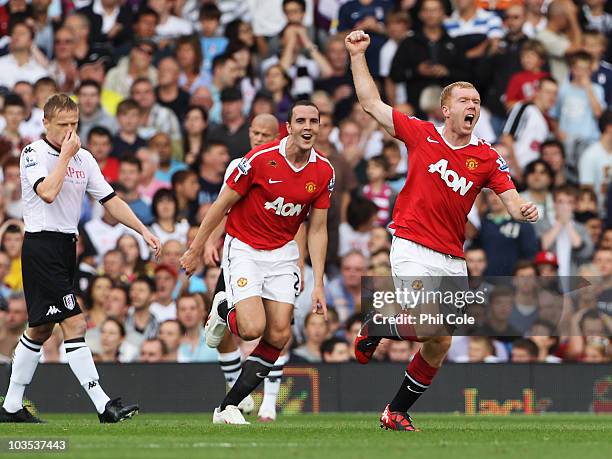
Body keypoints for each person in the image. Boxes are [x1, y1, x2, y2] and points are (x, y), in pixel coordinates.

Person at [345, 29, 538, 431]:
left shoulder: (486, 157)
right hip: (412, 244)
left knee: (440, 341)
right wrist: (357, 54)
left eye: (477, 102)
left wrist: (525, 209)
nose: (473, 107)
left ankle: (395, 411)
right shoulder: (421, 134)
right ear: (445, 109)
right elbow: (369, 103)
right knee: (430, 325)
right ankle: (377, 324)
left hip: (452, 255)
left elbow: (512, 201)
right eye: (465, 101)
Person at [0, 94, 160, 424]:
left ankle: (12, 405)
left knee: (41, 329)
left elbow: (110, 200)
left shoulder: (84, 158)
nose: (70, 132)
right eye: (63, 125)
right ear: (46, 123)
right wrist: (65, 158)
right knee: (75, 322)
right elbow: (47, 192)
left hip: (65, 248)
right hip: (41, 245)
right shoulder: (34, 153)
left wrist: (143, 231)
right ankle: (103, 405)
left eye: (75, 125)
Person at [180, 100, 334, 425]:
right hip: (245, 248)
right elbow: (221, 204)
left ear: (319, 127)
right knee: (252, 328)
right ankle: (224, 309)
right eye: (301, 121)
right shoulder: (257, 161)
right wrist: (196, 248)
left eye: (314, 121)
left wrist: (318, 282)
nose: (308, 127)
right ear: (289, 128)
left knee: (278, 335)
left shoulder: (323, 172)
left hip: (283, 254)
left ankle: (227, 407)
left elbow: (317, 228)